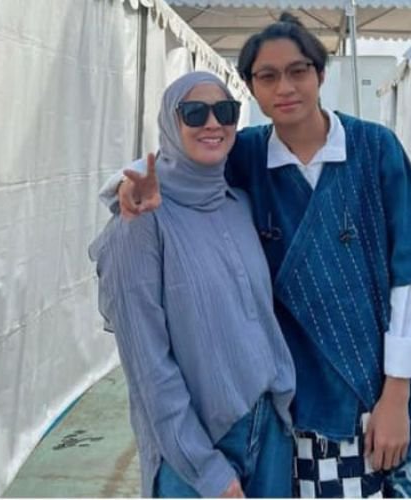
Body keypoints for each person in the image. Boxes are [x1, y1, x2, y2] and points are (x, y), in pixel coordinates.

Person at [101, 14, 411, 498]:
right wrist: (123, 185)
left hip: (392, 384)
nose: (285, 87)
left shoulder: (375, 149)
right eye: (267, 76)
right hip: (309, 401)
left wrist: (397, 392)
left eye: (298, 71)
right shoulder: (246, 157)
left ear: (321, 74)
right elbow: (179, 162)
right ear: (250, 88)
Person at [89, 72, 296, 498]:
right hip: (196, 452)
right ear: (171, 122)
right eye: (195, 112)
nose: (212, 123)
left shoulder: (239, 205)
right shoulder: (140, 221)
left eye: (225, 111)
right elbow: (148, 366)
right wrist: (206, 470)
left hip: (268, 433)